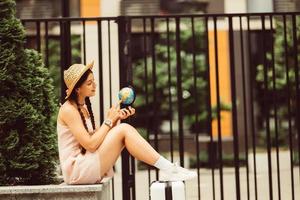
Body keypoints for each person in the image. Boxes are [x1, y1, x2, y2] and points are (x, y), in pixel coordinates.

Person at [57, 61, 197, 184]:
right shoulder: (68, 110)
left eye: (93, 80)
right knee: (124, 129)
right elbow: (91, 145)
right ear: (77, 89)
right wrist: (108, 121)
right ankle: (169, 168)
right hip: (77, 169)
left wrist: (115, 120)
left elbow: (96, 140)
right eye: (89, 83)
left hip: (85, 162)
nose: (95, 85)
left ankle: (168, 168)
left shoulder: (83, 107)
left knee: (123, 129)